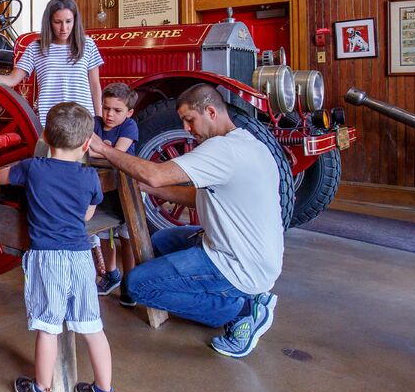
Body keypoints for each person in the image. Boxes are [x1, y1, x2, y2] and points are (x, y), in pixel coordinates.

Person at [88, 84, 282, 358]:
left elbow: (156, 174)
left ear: (211, 112)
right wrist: (145, 188)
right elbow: (195, 196)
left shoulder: (221, 151)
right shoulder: (248, 143)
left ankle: (241, 310)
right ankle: (249, 293)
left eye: (190, 120)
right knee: (160, 241)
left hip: (237, 263)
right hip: (254, 255)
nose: (187, 129)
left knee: (137, 285)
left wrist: (104, 150)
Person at [0, 102, 120, 392]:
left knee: (48, 326)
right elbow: (87, 213)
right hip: (80, 257)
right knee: (93, 326)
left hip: (46, 258)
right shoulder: (90, 177)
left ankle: (42, 391)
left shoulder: (33, 167)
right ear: (85, 145)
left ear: (46, 139)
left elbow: (1, 177)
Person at [0, 0, 104, 128]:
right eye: (58, 22)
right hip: (52, 123)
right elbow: (12, 80)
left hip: (83, 121)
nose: (64, 28)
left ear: (75, 21)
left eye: (68, 21)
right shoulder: (36, 48)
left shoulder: (88, 45)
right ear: (49, 22)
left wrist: (98, 119)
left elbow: (95, 85)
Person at [91, 82, 139, 298]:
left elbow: (117, 153)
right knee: (104, 233)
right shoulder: (94, 122)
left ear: (129, 112)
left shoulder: (130, 127)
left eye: (117, 110)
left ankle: (130, 282)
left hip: (127, 190)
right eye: (106, 108)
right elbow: (86, 151)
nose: (109, 115)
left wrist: (99, 149)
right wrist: (103, 151)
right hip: (104, 189)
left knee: (127, 238)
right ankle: (111, 274)